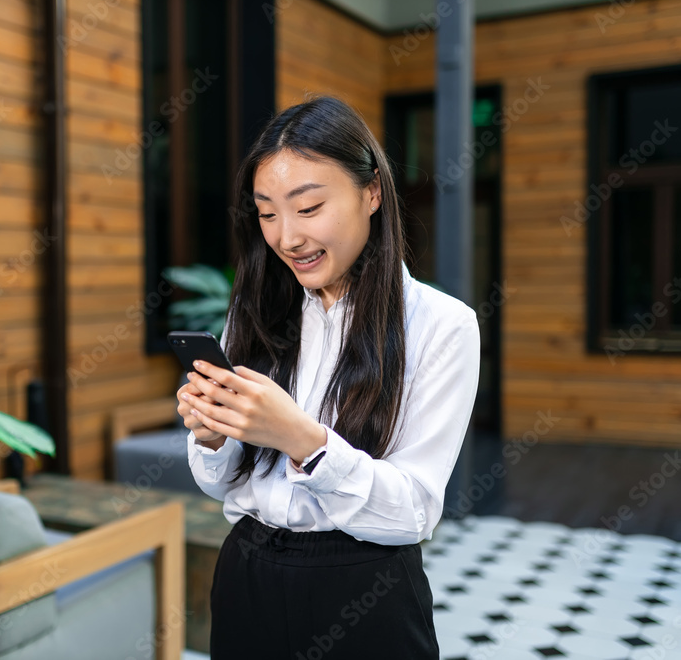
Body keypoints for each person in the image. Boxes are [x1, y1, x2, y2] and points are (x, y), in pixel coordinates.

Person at [176, 96, 481, 659]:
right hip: (246, 573)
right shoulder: (254, 311)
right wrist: (212, 437)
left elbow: (413, 510)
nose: (286, 237)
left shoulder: (442, 325)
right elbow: (220, 483)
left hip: (364, 587)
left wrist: (302, 439)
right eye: (267, 213)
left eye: (309, 207)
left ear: (371, 194)